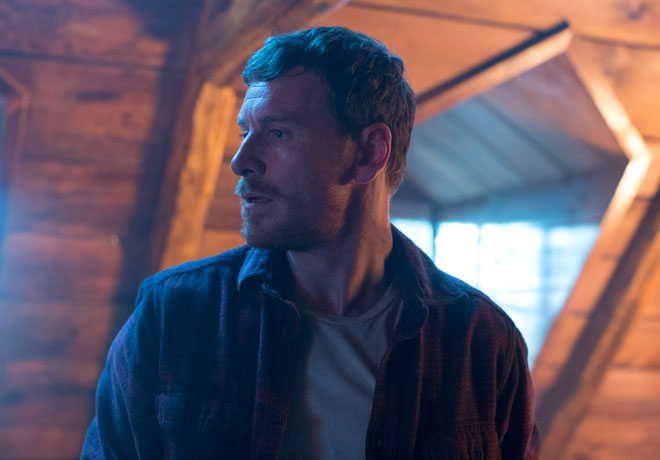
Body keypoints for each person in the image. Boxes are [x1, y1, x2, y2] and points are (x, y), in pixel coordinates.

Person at [81, 26, 540, 459]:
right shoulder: (175, 312)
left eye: (278, 133)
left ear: (369, 153)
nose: (240, 160)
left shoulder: (481, 342)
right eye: (245, 132)